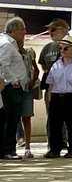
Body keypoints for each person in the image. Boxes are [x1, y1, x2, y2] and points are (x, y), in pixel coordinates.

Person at [43, 35, 72, 158]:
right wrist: (49, 97)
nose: (62, 51)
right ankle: (54, 149)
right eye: (61, 48)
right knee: (55, 125)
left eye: (66, 48)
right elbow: (50, 82)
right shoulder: (56, 65)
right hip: (56, 97)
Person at [1, 18, 31, 160]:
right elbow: (3, 64)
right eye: (22, 29)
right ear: (13, 30)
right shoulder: (7, 45)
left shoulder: (10, 44)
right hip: (11, 88)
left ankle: (6, 149)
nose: (24, 32)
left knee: (10, 118)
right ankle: (8, 150)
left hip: (14, 87)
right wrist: (14, 80)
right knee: (11, 118)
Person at [17, 25, 40, 158]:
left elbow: (35, 68)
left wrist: (33, 80)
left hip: (26, 88)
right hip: (14, 87)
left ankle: (28, 147)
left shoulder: (29, 52)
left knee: (27, 117)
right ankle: (16, 140)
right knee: (12, 117)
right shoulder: (9, 51)